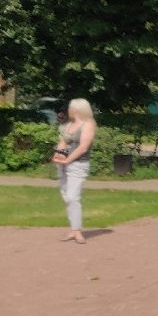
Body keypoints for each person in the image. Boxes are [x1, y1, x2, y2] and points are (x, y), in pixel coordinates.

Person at [53, 99, 97, 244]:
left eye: (70, 107)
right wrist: (58, 154)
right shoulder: (70, 124)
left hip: (78, 165)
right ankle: (73, 229)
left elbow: (83, 147)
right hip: (63, 164)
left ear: (77, 109)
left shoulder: (89, 124)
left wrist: (68, 160)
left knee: (72, 197)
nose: (68, 109)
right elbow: (64, 142)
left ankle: (77, 231)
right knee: (66, 197)